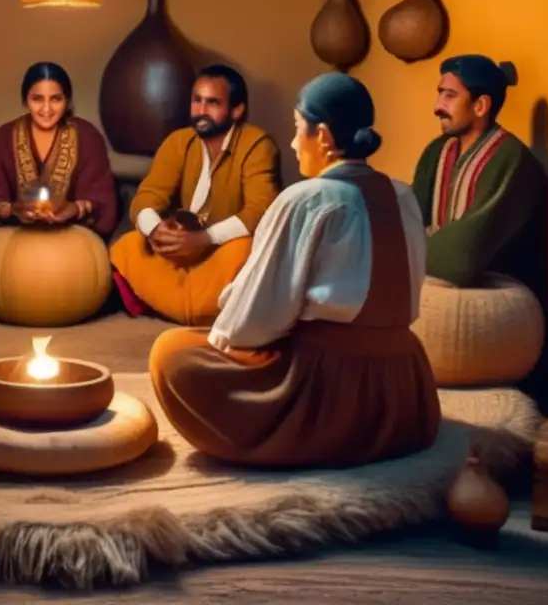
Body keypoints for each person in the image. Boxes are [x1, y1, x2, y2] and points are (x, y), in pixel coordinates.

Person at [148, 73, 441, 468]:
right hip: (405, 391)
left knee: (172, 353)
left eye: (297, 128)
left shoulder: (308, 198)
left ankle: (304, 442)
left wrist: (221, 342)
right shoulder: (402, 194)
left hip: (326, 387)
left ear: (322, 136)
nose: (291, 141)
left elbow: (256, 319)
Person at [108, 65, 281, 325]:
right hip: (180, 252)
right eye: (196, 100)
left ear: (237, 110)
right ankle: (198, 306)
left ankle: (180, 304)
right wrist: (157, 231)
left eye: (212, 103)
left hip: (219, 253)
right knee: (128, 246)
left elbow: (261, 211)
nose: (201, 111)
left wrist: (206, 238)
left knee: (243, 250)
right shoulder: (179, 141)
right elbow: (147, 196)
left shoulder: (257, 145)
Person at [411, 54, 546, 292]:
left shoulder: (510, 159)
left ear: (480, 105)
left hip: (496, 290)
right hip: (433, 275)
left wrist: (408, 252)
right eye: (440, 94)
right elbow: (411, 219)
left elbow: (464, 256)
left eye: (450, 96)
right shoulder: (437, 151)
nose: (437, 107)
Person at [0, 61, 118, 239]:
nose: (46, 109)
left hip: (73, 241)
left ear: (67, 100)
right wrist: (13, 209)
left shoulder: (87, 137)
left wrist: (76, 208)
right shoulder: (3, 138)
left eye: (56, 99)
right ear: (26, 100)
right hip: (13, 240)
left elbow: (103, 201)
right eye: (37, 99)